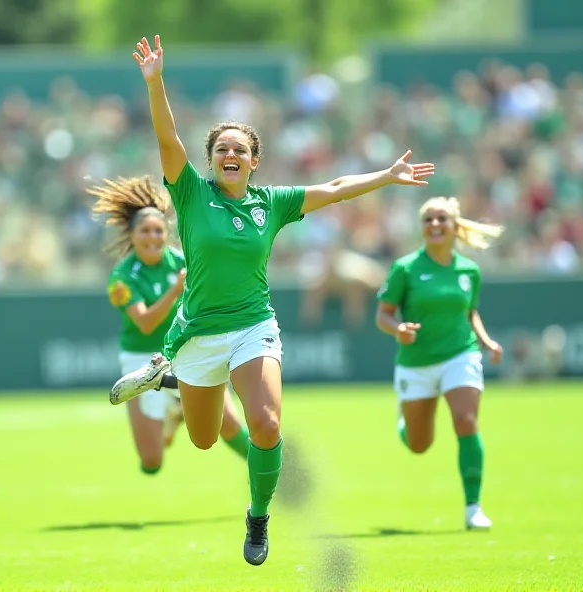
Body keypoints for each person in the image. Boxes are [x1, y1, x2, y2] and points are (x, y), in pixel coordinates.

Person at [111, 35, 434, 566]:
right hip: (197, 336)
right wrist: (155, 82)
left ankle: (258, 517)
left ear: (254, 160)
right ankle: (172, 377)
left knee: (265, 424)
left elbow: (334, 186)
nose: (230, 154)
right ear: (211, 161)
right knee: (201, 440)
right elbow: (168, 138)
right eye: (221, 149)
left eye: (240, 149)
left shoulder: (272, 202)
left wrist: (387, 176)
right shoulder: (191, 193)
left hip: (252, 326)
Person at [88, 175, 251, 476]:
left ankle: (271, 470)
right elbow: (147, 323)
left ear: (167, 234)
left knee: (228, 423)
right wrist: (176, 290)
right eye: (145, 231)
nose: (153, 237)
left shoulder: (180, 261)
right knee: (152, 463)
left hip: (184, 351)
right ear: (132, 236)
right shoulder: (122, 278)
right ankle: (172, 413)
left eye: (158, 231)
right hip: (141, 360)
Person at [375, 196, 504, 531]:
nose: (435, 224)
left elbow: (469, 311)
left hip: (460, 354)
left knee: (465, 420)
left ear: (455, 227)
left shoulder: (469, 271)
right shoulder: (405, 268)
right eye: (428, 219)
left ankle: (473, 507)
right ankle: (406, 419)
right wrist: (398, 329)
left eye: (442, 219)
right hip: (416, 363)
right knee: (419, 444)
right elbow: (383, 315)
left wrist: (486, 340)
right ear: (422, 228)